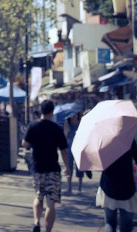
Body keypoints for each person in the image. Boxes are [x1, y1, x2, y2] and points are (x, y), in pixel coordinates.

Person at [22, 99, 71, 232]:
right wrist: (67, 168)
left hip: (37, 167)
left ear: (41, 110)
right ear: (52, 112)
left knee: (39, 196)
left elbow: (24, 144)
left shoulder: (33, 126)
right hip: (53, 170)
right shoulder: (56, 129)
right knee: (51, 204)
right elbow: (63, 151)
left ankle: (36, 222)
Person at [95, 138, 137, 232]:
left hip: (108, 186)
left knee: (109, 223)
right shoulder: (128, 138)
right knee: (126, 225)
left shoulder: (103, 140)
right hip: (127, 188)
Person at [65, 112, 85, 195]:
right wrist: (67, 124)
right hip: (69, 146)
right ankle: (69, 188)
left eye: (75, 114)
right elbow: (65, 134)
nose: (74, 116)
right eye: (72, 115)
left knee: (79, 167)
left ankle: (79, 188)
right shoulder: (67, 123)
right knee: (69, 166)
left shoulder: (81, 122)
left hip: (79, 146)